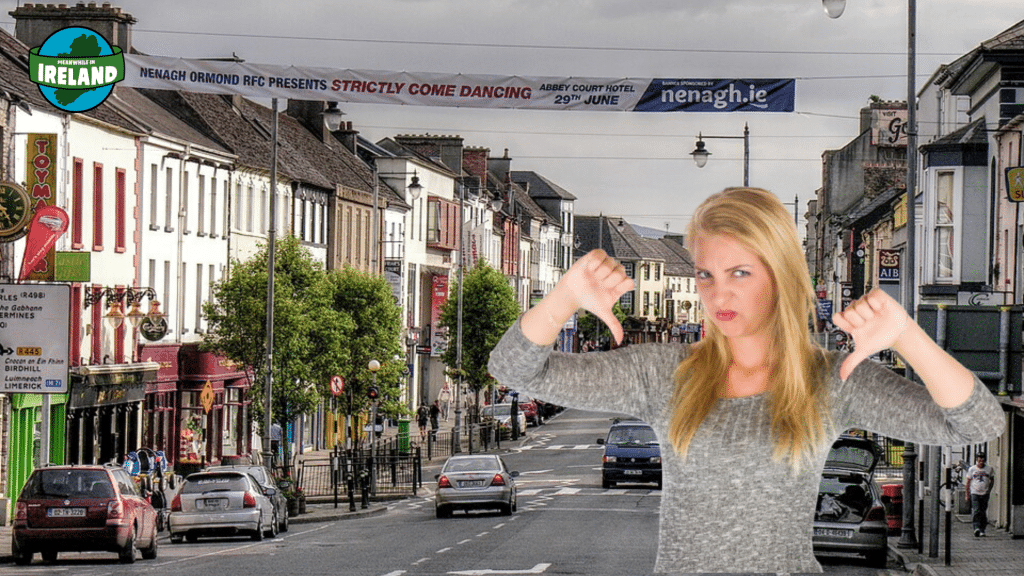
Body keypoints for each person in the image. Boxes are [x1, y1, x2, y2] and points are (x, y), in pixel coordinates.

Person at [487, 187, 1005, 574]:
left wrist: (907, 336)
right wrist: (563, 298)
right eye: (706, 274)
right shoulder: (664, 373)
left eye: (740, 273)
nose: (718, 295)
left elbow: (978, 423)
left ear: (781, 275)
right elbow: (512, 368)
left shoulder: (833, 379)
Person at [965, 452, 995, 537]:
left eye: (982, 461)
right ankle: (976, 527)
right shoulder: (972, 469)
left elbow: (992, 479)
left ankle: (982, 529)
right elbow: (968, 482)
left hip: (985, 493)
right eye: (979, 461)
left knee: (983, 511)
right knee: (976, 510)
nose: (981, 462)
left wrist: (989, 489)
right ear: (976, 460)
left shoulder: (989, 469)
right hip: (975, 492)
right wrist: (967, 494)